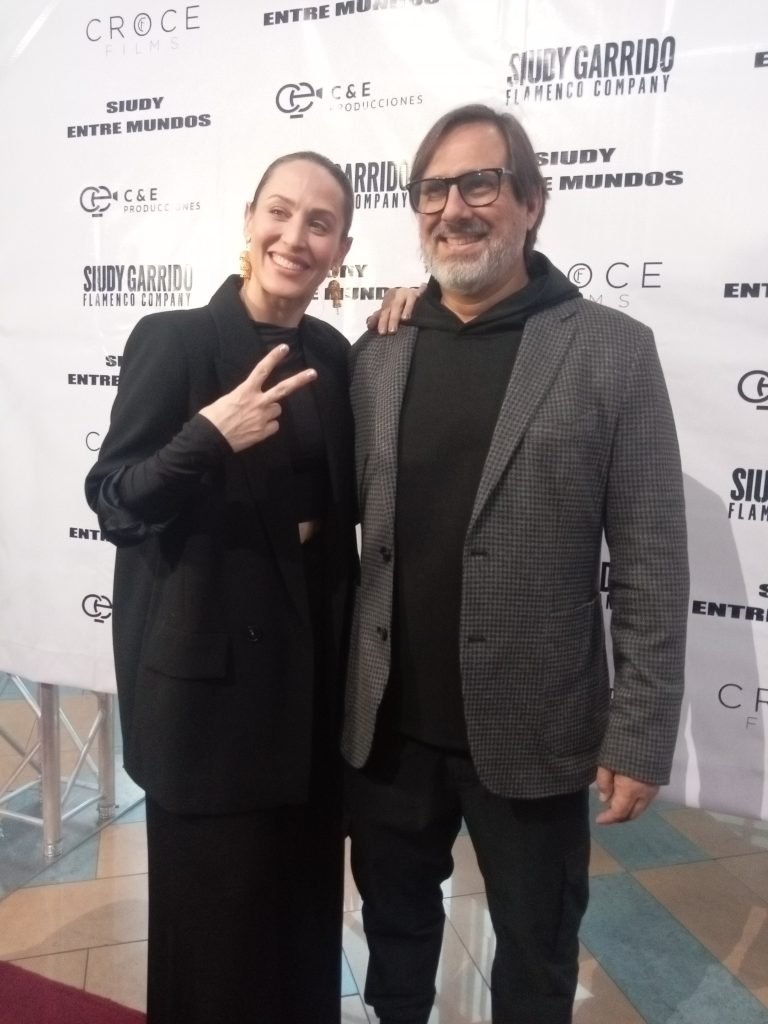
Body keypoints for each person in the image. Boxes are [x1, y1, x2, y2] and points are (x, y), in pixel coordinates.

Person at [342, 104, 689, 1024]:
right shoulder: (378, 350)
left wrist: (640, 733)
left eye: (479, 184)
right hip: (388, 732)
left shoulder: (612, 349)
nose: (453, 208)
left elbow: (653, 558)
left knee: (537, 956)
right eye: (432, 190)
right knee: (394, 939)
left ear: (532, 202)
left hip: (536, 731)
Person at [85, 151, 359, 1024]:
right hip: (208, 702)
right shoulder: (174, 340)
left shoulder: (332, 354)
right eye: (280, 212)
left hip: (307, 686)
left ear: (341, 250)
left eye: (320, 223)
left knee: (301, 924)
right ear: (249, 220)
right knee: (215, 940)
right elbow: (115, 501)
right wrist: (205, 436)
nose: (295, 236)